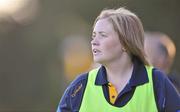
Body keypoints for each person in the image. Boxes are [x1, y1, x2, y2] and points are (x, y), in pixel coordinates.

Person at [57, 7, 180, 112]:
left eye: (103, 35)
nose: (94, 42)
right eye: (94, 36)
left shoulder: (156, 81)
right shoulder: (81, 85)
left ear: (125, 43)